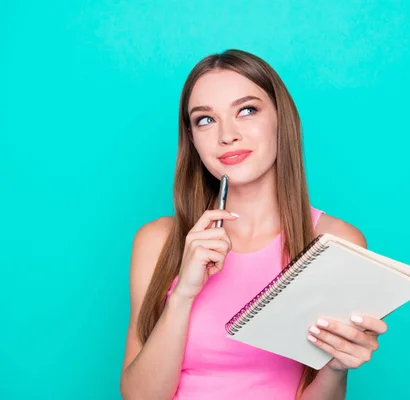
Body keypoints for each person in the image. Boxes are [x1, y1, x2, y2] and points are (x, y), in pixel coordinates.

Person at [119, 49, 388, 400]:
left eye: (246, 110)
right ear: (193, 139)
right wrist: (183, 293)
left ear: (281, 118)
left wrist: (336, 368)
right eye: (205, 120)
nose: (227, 135)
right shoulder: (157, 241)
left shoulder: (334, 242)